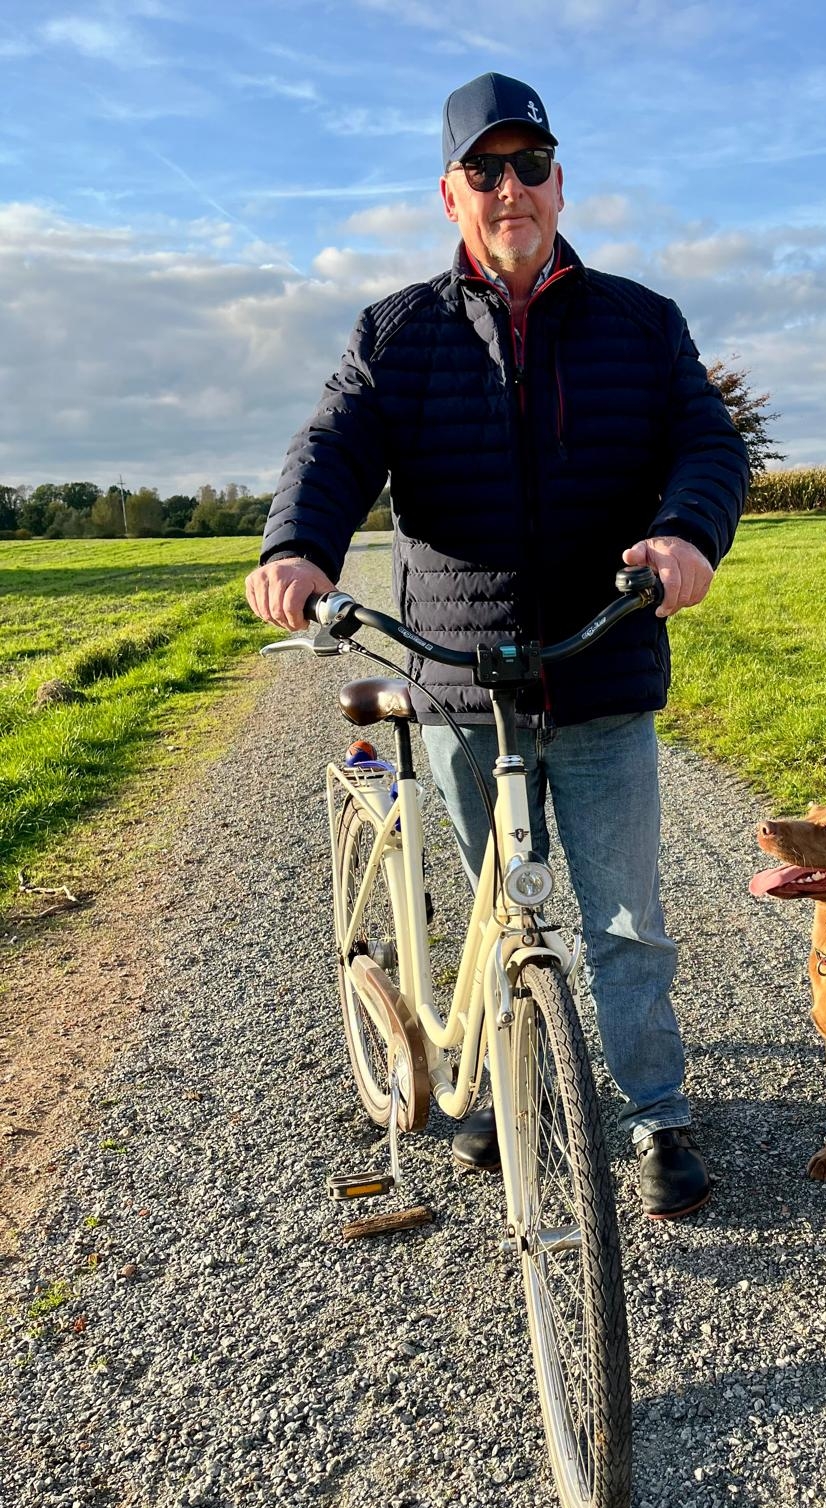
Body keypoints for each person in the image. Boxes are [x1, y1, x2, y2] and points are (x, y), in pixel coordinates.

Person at [246, 71, 748, 1220]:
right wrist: (299, 548)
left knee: (627, 921)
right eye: (486, 169)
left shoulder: (642, 320)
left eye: (531, 165)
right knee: (488, 904)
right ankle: (488, 1080)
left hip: (603, 657)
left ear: (561, 183)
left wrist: (685, 531)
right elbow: (332, 442)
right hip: (462, 678)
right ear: (450, 193)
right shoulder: (398, 331)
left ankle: (656, 1112)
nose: (510, 187)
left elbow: (707, 446)